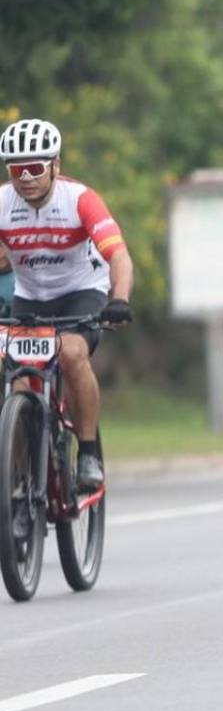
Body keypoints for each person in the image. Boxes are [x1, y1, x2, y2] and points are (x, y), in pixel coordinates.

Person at [0, 119, 135, 490]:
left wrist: (119, 299)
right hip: (30, 298)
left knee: (73, 354)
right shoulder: (2, 203)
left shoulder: (79, 200)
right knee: (19, 386)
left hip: (82, 291)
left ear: (55, 166)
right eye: (16, 169)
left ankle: (88, 451)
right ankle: (17, 484)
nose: (25, 177)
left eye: (34, 168)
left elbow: (119, 256)